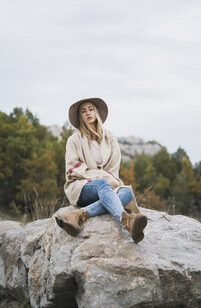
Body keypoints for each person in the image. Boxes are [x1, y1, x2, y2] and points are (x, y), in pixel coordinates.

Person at [55, 97, 147, 243]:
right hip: (81, 186)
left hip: (107, 187)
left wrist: (109, 179)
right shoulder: (74, 139)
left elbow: (113, 169)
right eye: (83, 111)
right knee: (103, 184)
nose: (88, 113)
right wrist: (101, 176)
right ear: (80, 116)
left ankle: (79, 214)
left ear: (96, 111)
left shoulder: (110, 137)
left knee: (127, 193)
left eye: (91, 109)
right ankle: (127, 222)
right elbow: (72, 169)